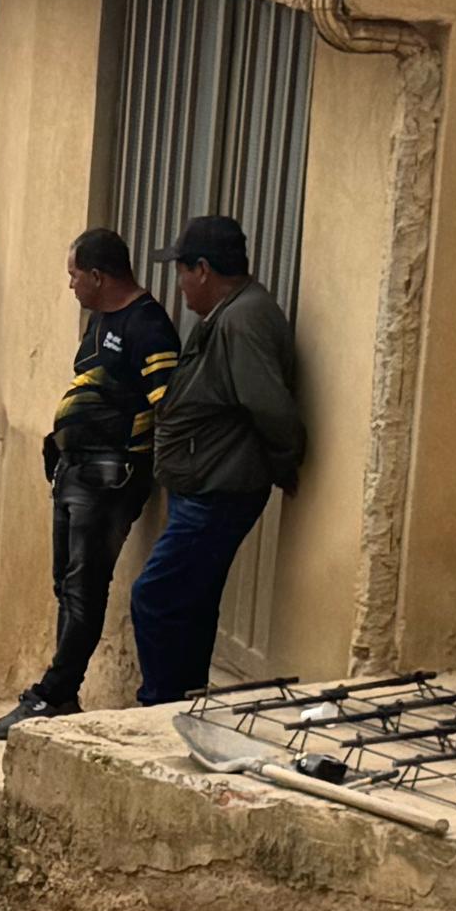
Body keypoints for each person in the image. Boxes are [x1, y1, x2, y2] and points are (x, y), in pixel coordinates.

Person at [0, 226, 179, 739]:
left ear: (98, 276)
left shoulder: (149, 327)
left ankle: (54, 692)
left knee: (84, 586)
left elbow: (169, 409)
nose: (70, 284)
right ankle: (62, 696)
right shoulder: (99, 320)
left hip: (110, 477)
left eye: (74, 275)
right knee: (66, 584)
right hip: (74, 470)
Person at [127, 212, 306, 703]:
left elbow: (268, 404)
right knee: (193, 602)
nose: (180, 285)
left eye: (182, 271)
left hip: (218, 492)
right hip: (205, 485)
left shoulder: (243, 319)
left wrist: (284, 460)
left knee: (154, 596)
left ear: (203, 269)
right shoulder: (230, 313)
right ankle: (185, 701)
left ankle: (158, 705)